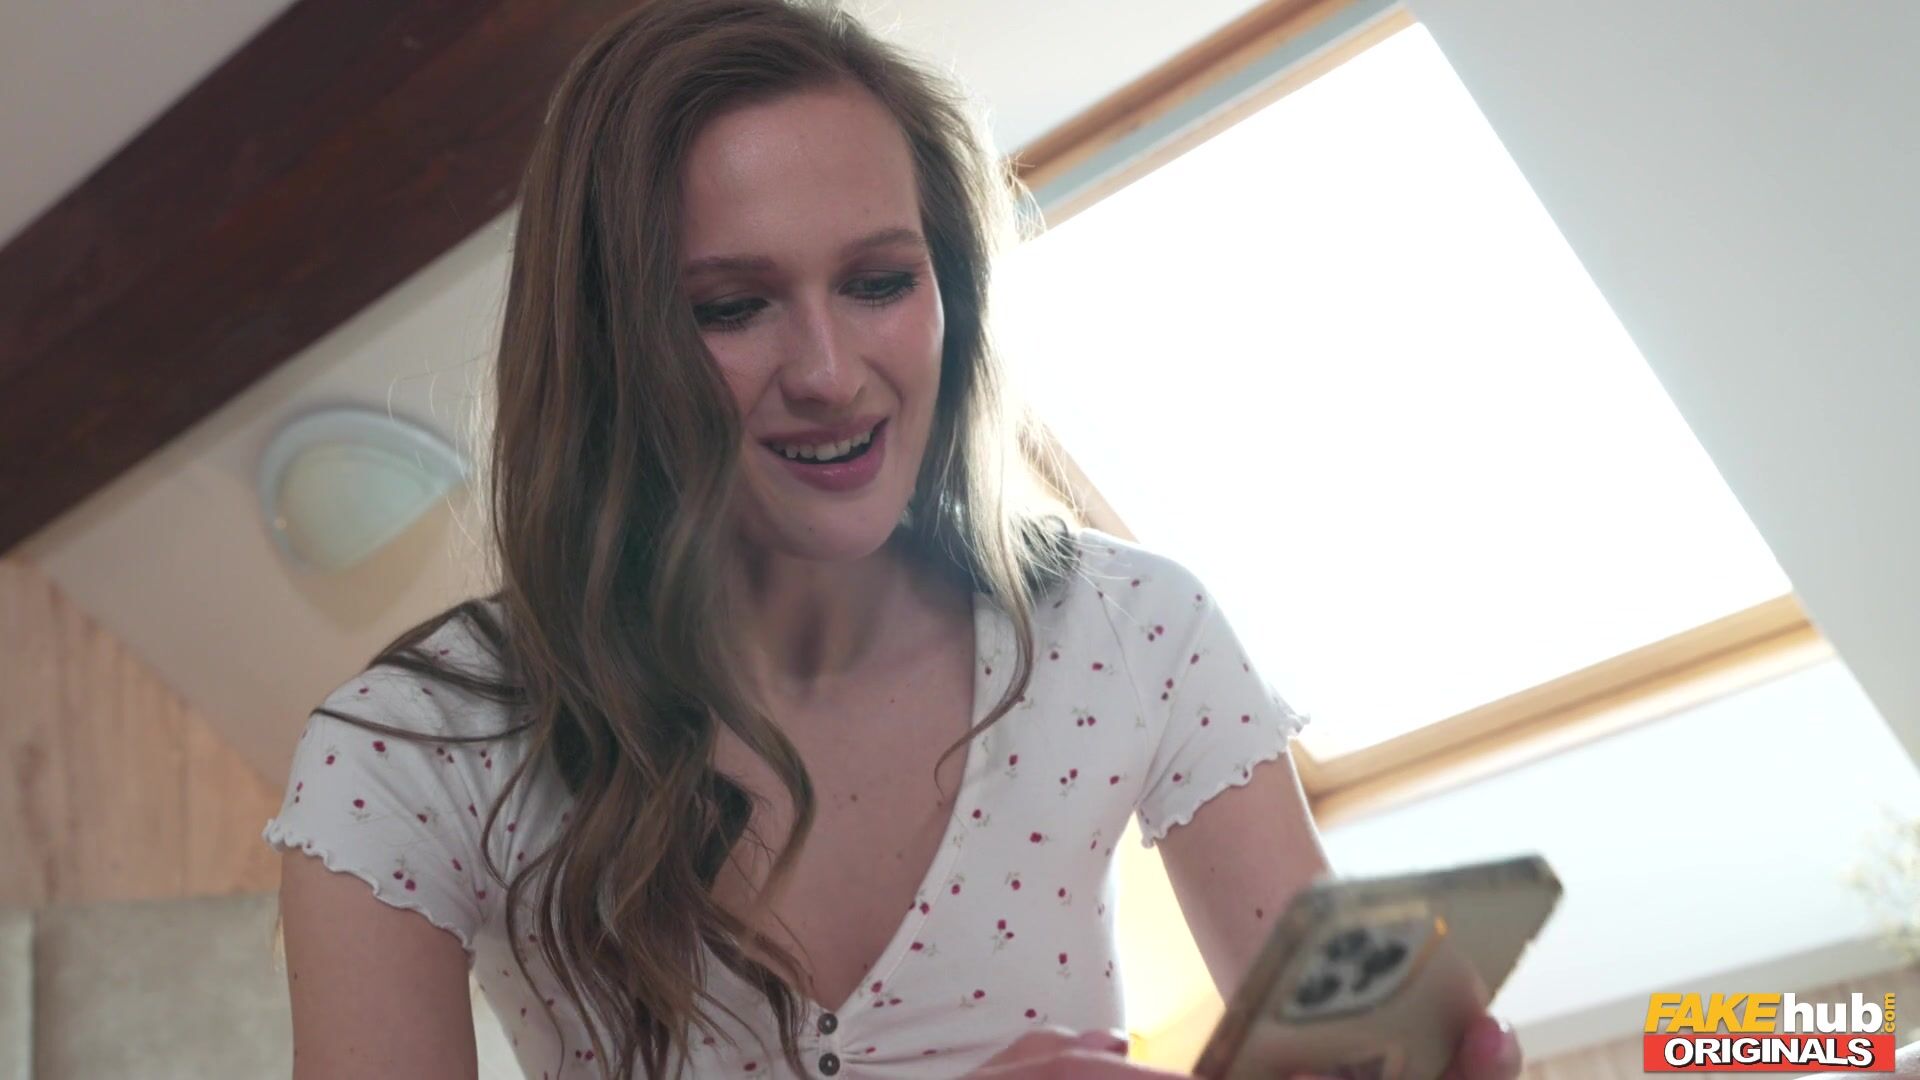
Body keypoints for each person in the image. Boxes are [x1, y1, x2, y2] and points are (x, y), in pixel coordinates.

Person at [264, 2, 1526, 1078]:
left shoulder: (1136, 632)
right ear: (606, 345)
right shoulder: (409, 756)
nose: (828, 371)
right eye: (732, 306)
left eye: (879, 283)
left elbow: (1347, 1039)